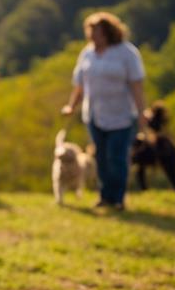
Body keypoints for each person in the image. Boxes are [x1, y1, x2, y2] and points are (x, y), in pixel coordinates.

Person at [61, 12, 146, 211]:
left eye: (96, 31)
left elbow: (136, 85)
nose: (92, 36)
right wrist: (71, 106)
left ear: (108, 32)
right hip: (94, 115)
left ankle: (117, 198)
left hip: (122, 115)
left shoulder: (126, 53)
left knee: (117, 156)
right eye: (90, 31)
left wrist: (142, 112)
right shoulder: (87, 53)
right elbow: (79, 85)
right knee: (100, 157)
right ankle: (105, 195)